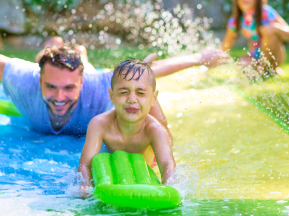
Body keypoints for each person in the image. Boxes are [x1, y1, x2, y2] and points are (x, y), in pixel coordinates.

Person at [0, 42, 229, 136]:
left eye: (69, 87)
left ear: (82, 82)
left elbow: (148, 70)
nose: (59, 97)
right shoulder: (23, 80)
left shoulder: (98, 84)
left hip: (91, 76)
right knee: (52, 53)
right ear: (39, 81)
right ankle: (56, 43)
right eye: (51, 87)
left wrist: (199, 58)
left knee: (90, 67)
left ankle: (81, 53)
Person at [78, 59, 175, 197]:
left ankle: (144, 71)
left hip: (149, 161)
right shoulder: (99, 124)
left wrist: (170, 190)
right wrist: (85, 187)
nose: (131, 99)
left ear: (154, 98)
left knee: (167, 135)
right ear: (112, 96)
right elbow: (85, 165)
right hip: (116, 157)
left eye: (140, 93)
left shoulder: (155, 131)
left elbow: (167, 165)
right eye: (123, 92)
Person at [222, 0, 289, 73]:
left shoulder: (266, 12)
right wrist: (209, 65)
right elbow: (226, 45)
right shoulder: (236, 20)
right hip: (255, 56)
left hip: (275, 56)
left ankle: (267, 69)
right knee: (241, 63)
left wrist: (272, 28)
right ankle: (263, 70)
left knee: (267, 31)